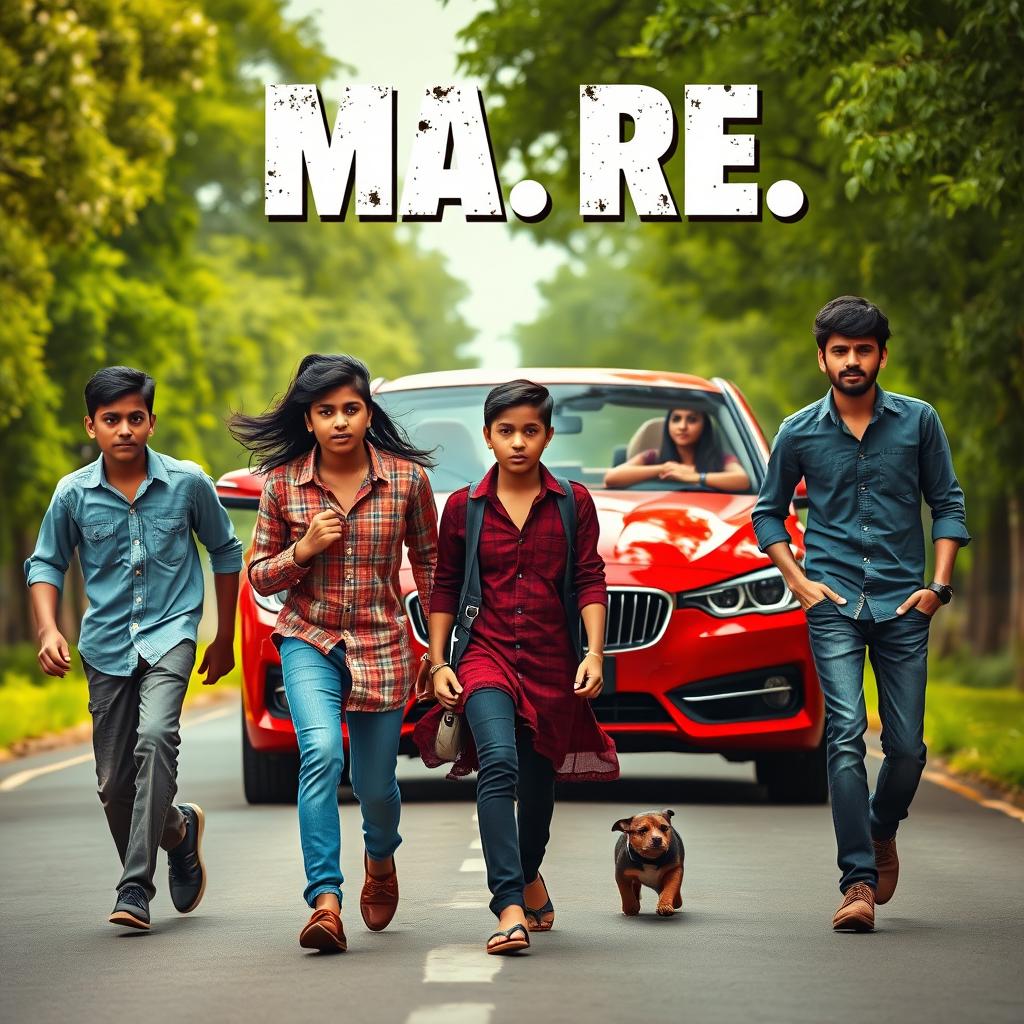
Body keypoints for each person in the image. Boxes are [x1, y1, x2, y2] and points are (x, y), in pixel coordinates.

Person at [752, 296, 970, 932]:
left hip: (905, 603)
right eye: (840, 351)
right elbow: (769, 512)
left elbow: (947, 503)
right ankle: (857, 882)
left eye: (864, 350)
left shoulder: (919, 421)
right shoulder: (798, 431)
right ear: (822, 357)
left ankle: (881, 827)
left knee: (906, 750)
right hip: (834, 604)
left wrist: (937, 586)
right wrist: (798, 581)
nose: (852, 361)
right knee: (845, 734)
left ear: (881, 353)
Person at [230, 354, 437, 953]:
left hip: (383, 645)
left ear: (368, 412)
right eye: (327, 411)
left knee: (376, 786)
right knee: (319, 753)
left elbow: (430, 570)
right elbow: (261, 578)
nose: (341, 421)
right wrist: (304, 549)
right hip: (309, 639)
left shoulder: (406, 481)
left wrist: (439, 651)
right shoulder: (281, 484)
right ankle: (325, 901)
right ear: (310, 419)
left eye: (351, 408)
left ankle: (381, 859)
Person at [25, 366, 243, 931]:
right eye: (111, 420)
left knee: (154, 739)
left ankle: (134, 887)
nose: (124, 429)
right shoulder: (72, 493)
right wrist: (49, 630)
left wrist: (222, 637)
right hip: (104, 644)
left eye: (135, 418)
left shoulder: (188, 482)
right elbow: (46, 561)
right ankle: (177, 830)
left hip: (172, 633)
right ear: (91, 426)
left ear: (151, 422)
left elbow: (225, 551)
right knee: (112, 783)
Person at [414, 380, 619, 956]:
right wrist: (437, 663)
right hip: (485, 654)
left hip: (552, 659)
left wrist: (594, 653)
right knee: (498, 763)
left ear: (548, 435)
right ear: (488, 437)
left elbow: (588, 576)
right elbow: (445, 586)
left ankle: (528, 873)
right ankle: (508, 907)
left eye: (530, 431)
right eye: (506, 431)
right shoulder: (464, 508)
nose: (519, 442)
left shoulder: (572, 502)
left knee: (537, 782)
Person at [603, 406, 750, 490]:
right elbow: (612, 477)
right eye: (676, 419)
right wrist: (664, 468)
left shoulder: (720, 459)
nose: (682, 427)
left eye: (692, 420)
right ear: (668, 424)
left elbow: (742, 480)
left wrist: (696, 476)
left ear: (705, 426)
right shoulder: (653, 457)